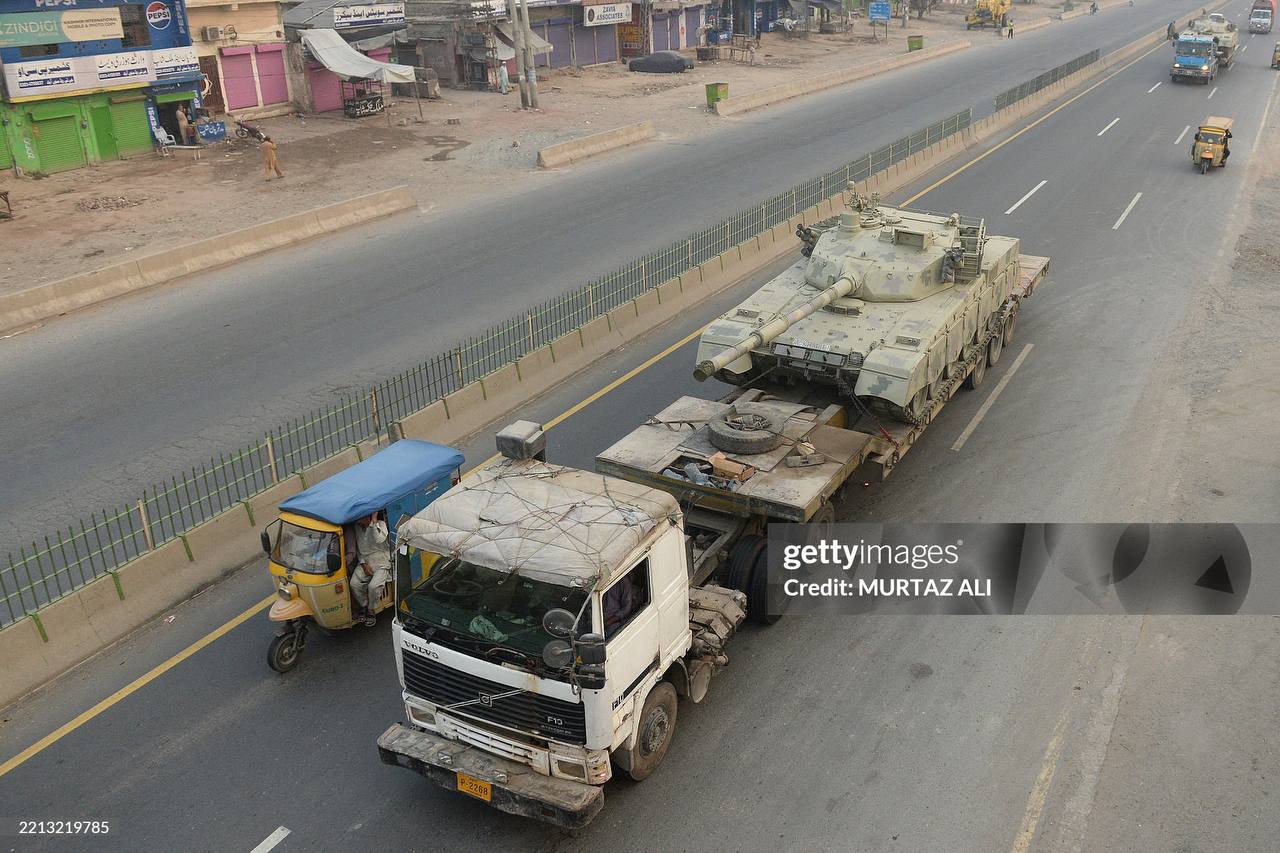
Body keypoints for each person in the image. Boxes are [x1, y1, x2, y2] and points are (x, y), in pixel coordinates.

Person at [351, 512, 390, 626]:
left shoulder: (381, 524)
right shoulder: (357, 528)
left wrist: (373, 521)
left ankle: (371, 609)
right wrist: (363, 564)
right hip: (366, 561)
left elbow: (378, 539)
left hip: (382, 561)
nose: (358, 520)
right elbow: (359, 549)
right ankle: (364, 605)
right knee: (354, 584)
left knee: (373, 586)